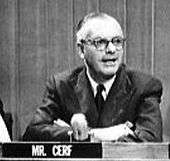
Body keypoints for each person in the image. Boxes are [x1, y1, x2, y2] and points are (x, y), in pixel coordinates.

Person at [23, 12, 163, 142]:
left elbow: (149, 142)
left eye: (117, 41)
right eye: (100, 42)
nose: (111, 50)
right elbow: (33, 133)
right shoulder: (61, 85)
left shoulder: (145, 86)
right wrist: (90, 135)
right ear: (81, 49)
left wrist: (81, 135)